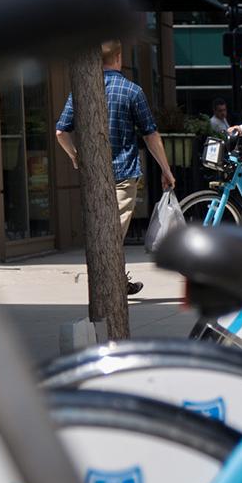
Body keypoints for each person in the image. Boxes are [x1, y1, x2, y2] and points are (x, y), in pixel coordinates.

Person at [55, 39, 175, 297]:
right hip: (123, 175)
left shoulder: (82, 92)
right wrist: (166, 169)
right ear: (119, 57)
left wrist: (76, 157)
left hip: (92, 177)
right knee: (112, 236)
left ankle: (118, 281)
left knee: (105, 232)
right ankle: (108, 289)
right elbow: (150, 135)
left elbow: (60, 132)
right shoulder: (132, 91)